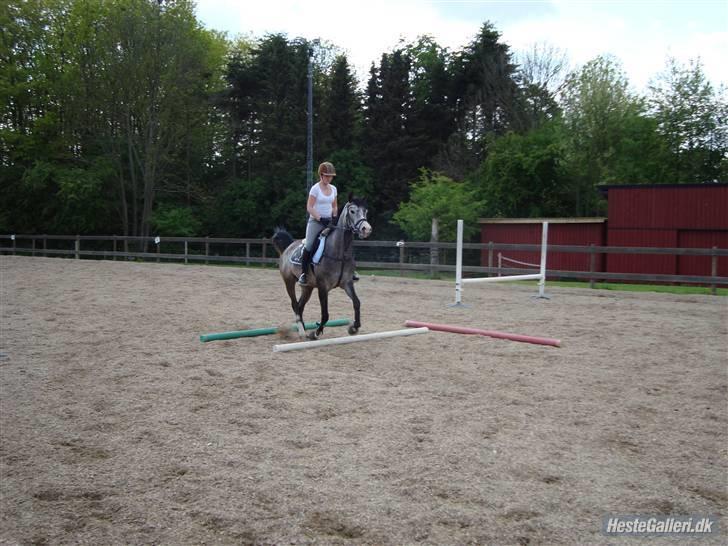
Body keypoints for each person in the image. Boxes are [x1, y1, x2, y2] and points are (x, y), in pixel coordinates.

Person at [299, 162, 338, 285]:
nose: (329, 178)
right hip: (316, 221)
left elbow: (335, 206)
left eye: (331, 176)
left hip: (329, 221)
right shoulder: (315, 189)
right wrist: (321, 218)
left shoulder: (334, 189)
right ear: (321, 175)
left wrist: (334, 217)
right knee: (309, 245)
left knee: (340, 241)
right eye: (327, 176)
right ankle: (304, 274)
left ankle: (347, 271)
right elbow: (309, 207)